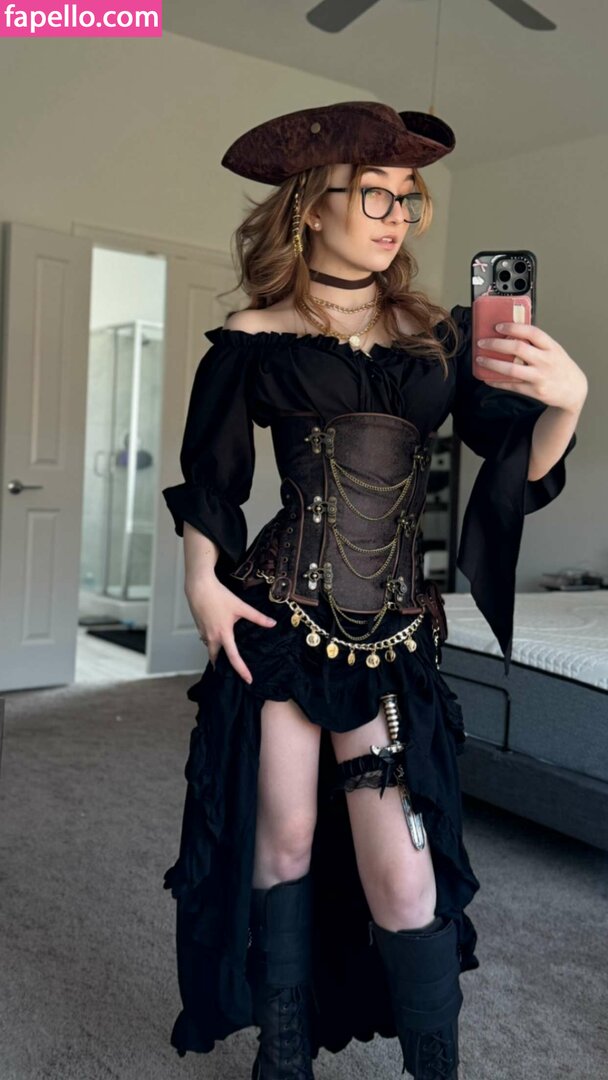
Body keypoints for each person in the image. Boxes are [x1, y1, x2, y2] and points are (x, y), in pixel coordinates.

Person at [161, 102, 586, 1080]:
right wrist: (202, 587)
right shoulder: (252, 338)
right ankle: (282, 1063)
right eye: (374, 196)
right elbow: (212, 480)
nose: (397, 217)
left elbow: (509, 465)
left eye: (407, 199)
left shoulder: (436, 335)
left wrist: (566, 403)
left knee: (403, 872)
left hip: (391, 635)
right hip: (281, 620)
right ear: (312, 206)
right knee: (284, 840)